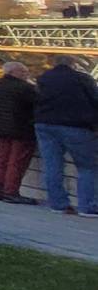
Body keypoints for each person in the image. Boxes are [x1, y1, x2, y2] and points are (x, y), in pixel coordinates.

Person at [31, 55, 98, 218]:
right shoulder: (81, 79)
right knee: (87, 166)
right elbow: (95, 99)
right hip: (75, 125)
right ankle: (88, 206)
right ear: (73, 64)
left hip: (44, 125)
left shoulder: (42, 79)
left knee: (52, 165)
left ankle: (58, 204)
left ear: (53, 64)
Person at [0, 62, 39, 204]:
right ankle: (11, 192)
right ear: (12, 72)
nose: (26, 74)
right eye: (22, 71)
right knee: (17, 161)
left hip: (1, 127)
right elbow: (38, 102)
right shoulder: (24, 88)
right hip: (21, 129)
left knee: (2, 159)